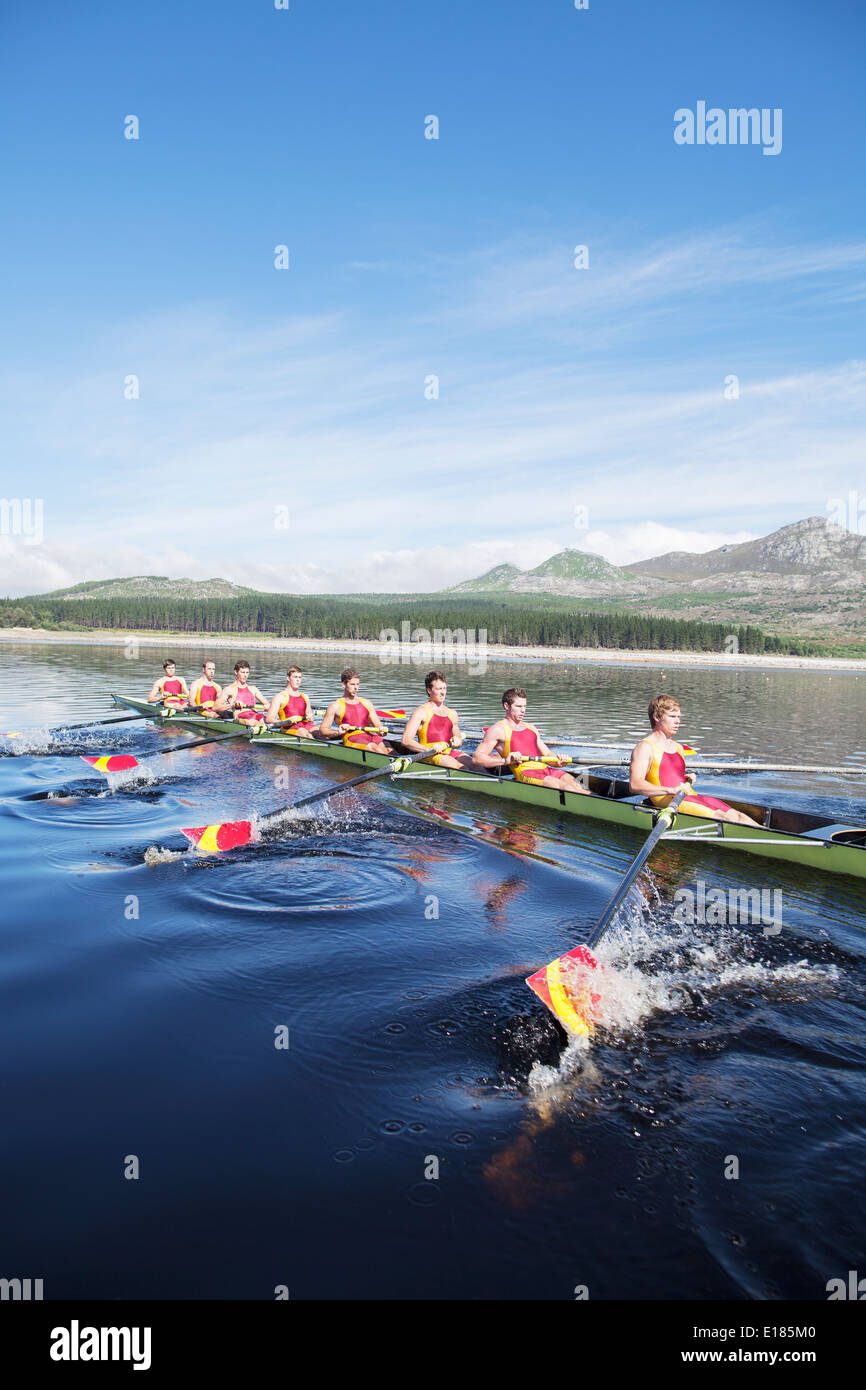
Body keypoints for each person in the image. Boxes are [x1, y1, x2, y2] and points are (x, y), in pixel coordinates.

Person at [629, 694, 761, 826]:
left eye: (679, 717)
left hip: (689, 795)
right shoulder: (645, 747)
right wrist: (670, 790)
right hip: (666, 800)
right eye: (672, 716)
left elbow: (670, 774)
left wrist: (684, 779)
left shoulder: (678, 747)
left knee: (739, 816)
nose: (677, 721)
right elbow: (635, 785)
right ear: (657, 717)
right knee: (724, 818)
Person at [472, 687, 590, 792]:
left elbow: (548, 754)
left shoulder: (531, 728)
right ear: (506, 706)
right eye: (518, 706)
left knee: (582, 788)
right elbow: (477, 758)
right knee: (567, 789)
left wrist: (559, 762)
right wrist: (505, 761)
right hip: (526, 773)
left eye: (524, 706)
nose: (523, 710)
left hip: (545, 769)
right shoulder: (497, 729)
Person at [400, 671, 473, 769]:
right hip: (429, 754)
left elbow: (458, 740)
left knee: (476, 764)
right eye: (439, 689)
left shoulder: (452, 713)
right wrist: (428, 749)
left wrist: (457, 741)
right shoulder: (420, 712)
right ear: (429, 690)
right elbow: (406, 740)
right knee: (461, 768)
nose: (443, 692)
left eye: (444, 688)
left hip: (448, 752)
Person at [319, 669, 391, 753]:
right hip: (351, 738)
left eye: (357, 684)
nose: (356, 688)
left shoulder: (367, 703)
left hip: (369, 735)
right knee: (374, 747)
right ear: (343, 684)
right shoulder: (335, 706)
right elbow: (323, 730)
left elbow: (378, 726)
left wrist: (382, 731)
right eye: (352, 684)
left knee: (389, 749)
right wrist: (338, 732)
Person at [265, 666, 317, 737]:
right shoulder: (280, 697)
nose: (298, 680)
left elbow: (311, 719)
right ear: (288, 678)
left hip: (304, 725)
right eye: (295, 677)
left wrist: (311, 718)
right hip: (288, 727)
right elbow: (269, 719)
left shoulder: (305, 697)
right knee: (304, 733)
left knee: (319, 731)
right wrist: (285, 722)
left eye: (300, 677)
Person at [215, 661, 270, 728]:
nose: (245, 675)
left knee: (268, 720)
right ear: (236, 672)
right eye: (242, 672)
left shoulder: (253, 689)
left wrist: (268, 706)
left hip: (256, 715)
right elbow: (215, 708)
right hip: (242, 717)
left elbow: (267, 704)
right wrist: (232, 705)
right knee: (251, 722)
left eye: (247, 672)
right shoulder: (229, 689)